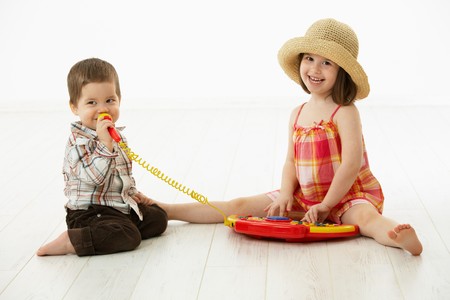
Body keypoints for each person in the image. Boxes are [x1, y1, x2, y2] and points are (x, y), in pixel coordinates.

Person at [158, 18, 423, 256]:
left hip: (344, 196)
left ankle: (398, 237)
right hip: (304, 197)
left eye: (326, 63)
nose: (315, 69)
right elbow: (290, 162)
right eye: (309, 59)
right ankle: (168, 211)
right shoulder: (297, 114)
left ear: (341, 71)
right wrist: (286, 193)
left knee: (366, 218)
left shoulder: (345, 112)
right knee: (238, 204)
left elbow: (351, 164)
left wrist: (327, 204)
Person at [37, 58, 168, 256]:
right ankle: (71, 241)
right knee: (129, 236)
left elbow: (121, 174)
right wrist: (105, 144)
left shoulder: (117, 135)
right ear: (75, 107)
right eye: (92, 103)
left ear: (119, 100)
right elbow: (95, 178)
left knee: (159, 218)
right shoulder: (79, 142)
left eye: (109, 100)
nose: (103, 109)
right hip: (89, 213)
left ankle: (122, 223)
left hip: (115, 206)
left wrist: (133, 194)